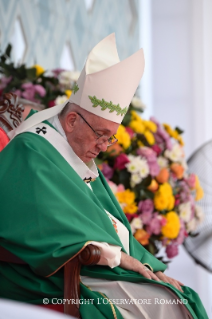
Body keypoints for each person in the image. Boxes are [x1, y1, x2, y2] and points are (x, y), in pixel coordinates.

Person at [0, 34, 208, 319]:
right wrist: (119, 258)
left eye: (110, 138)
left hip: (99, 266)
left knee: (180, 297)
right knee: (166, 308)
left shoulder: (77, 151)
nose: (103, 146)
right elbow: (44, 227)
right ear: (72, 121)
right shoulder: (31, 149)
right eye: (101, 135)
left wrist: (151, 267)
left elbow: (111, 221)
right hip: (57, 271)